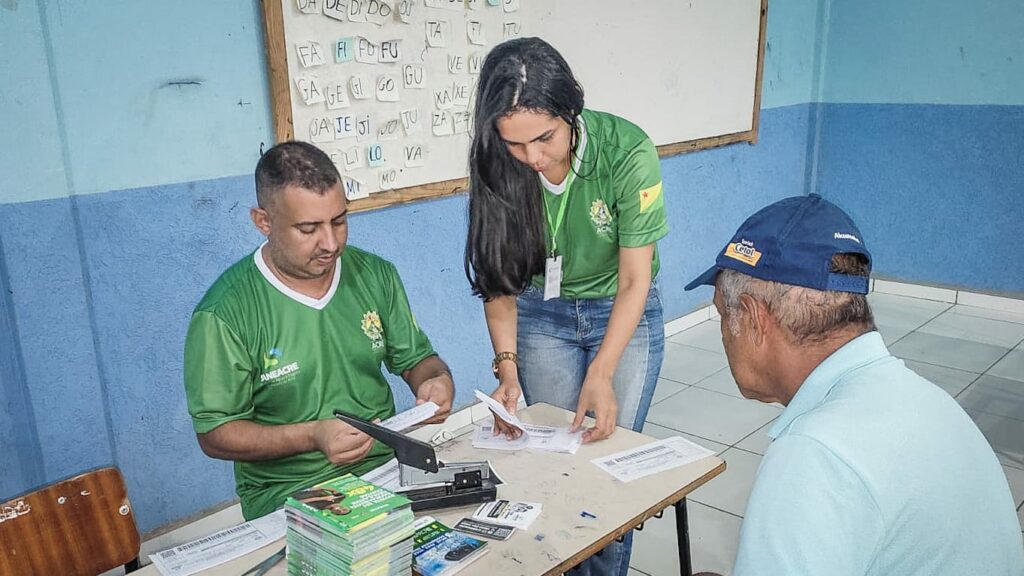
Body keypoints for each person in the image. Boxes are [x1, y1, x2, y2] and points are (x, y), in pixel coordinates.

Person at [685, 194, 1024, 576]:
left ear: (753, 318)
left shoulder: (815, 456)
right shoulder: (929, 401)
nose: (724, 334)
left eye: (721, 314)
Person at [464, 37, 668, 576]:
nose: (533, 157)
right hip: (541, 317)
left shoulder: (626, 151)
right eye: (515, 144)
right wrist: (505, 368)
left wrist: (602, 370)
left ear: (570, 110)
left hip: (620, 309)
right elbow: (500, 284)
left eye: (545, 138)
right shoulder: (498, 166)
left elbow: (634, 279)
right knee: (558, 462)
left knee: (605, 464)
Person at [184, 141, 454, 520]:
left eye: (339, 221)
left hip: (386, 471)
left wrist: (436, 381)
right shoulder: (225, 312)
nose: (330, 243)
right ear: (263, 222)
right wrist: (312, 436)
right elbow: (214, 433)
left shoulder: (375, 274)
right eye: (309, 228)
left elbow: (417, 360)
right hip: (290, 493)